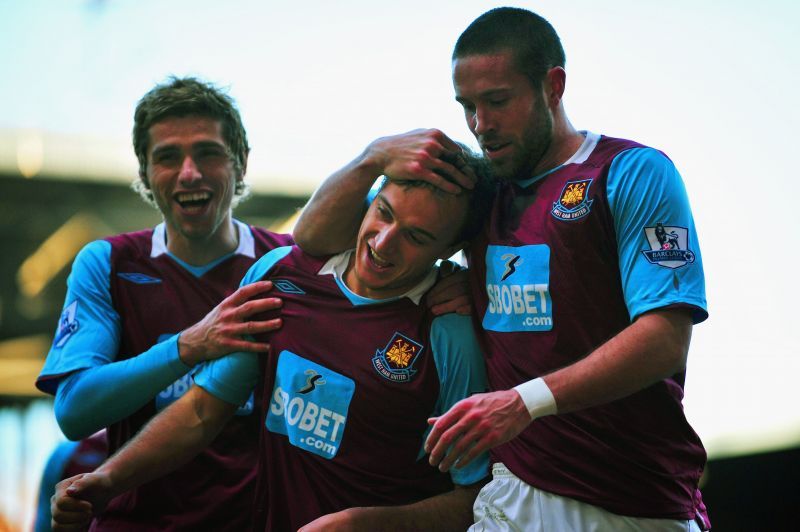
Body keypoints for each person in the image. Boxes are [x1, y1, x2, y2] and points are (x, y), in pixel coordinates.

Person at [293, 7, 710, 531]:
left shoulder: (631, 172)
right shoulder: (479, 193)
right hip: (513, 490)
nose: (480, 125)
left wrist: (522, 402)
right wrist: (371, 158)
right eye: (467, 106)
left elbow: (664, 339)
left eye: (497, 101)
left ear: (553, 86)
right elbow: (312, 239)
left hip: (633, 499)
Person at [51, 153, 496, 531]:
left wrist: (370, 524)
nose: (383, 242)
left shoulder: (449, 333)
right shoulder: (281, 276)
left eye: (417, 237)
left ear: (451, 248)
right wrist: (109, 478)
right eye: (384, 212)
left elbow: (475, 496)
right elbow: (205, 408)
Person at [37, 77, 291, 531]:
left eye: (208, 153)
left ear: (241, 163)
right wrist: (189, 346)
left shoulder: (289, 263)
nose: (189, 172)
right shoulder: (110, 263)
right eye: (168, 157)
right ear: (144, 174)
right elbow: (74, 411)